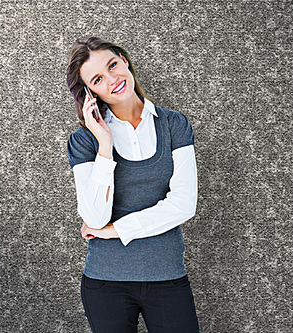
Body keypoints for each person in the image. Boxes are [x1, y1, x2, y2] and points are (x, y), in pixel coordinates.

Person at [65, 36, 200, 333]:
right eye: (98, 79)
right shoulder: (84, 141)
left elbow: (183, 204)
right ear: (90, 93)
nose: (113, 79)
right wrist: (104, 144)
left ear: (124, 60)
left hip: (166, 276)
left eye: (113, 65)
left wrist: (113, 231)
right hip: (105, 283)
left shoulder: (173, 125)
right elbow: (95, 218)